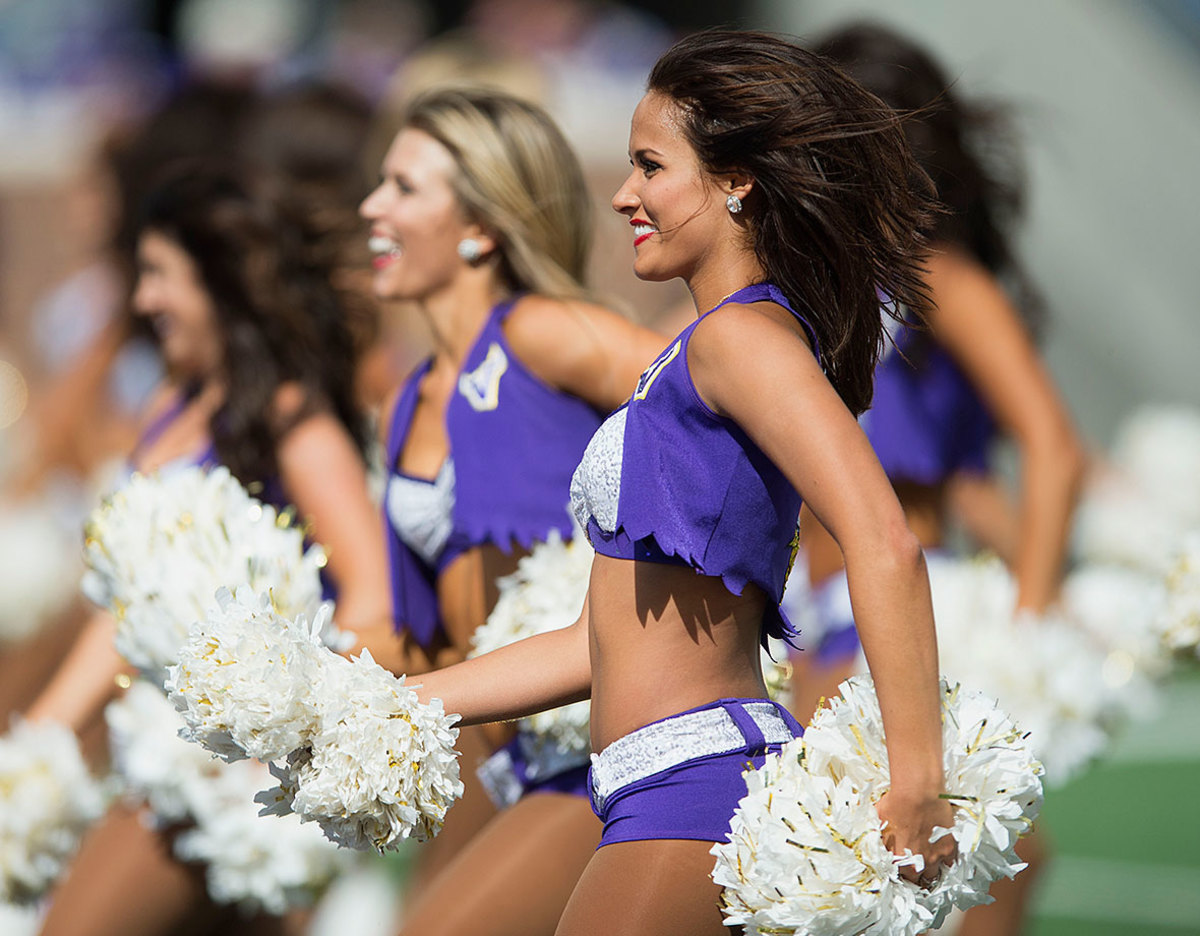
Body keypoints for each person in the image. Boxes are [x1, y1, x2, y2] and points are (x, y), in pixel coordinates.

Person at [409, 30, 956, 935]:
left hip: (694, 788)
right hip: (642, 788)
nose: (623, 193)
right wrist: (392, 704)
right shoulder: (698, 346)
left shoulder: (742, 339)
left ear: (736, 180)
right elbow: (594, 644)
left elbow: (883, 539)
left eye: (651, 167)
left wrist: (918, 777)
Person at [28, 165, 392, 936]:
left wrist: (291, 720)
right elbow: (130, 607)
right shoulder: (172, 404)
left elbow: (373, 599)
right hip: (153, 748)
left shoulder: (291, 420)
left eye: (161, 274)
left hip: (233, 774)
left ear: (219, 284)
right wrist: (44, 735)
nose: (143, 300)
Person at [790, 22, 1087, 936]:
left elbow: (1054, 446)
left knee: (894, 869)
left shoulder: (940, 276)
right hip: (807, 615)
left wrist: (1029, 628)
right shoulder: (823, 278)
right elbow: (960, 478)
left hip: (892, 613)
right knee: (826, 877)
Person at [359, 86, 666, 923]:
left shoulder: (542, 333)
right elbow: (428, 635)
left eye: (403, 187)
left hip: (592, 739)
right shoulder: (406, 402)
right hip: (492, 747)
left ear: (479, 227)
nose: (371, 207)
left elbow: (724, 389)